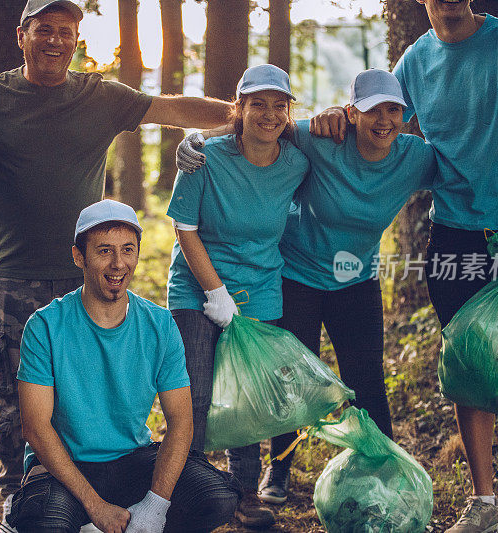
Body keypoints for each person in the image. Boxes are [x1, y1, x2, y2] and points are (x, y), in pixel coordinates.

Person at [0, 0, 235, 510]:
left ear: (77, 40)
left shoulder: (98, 96)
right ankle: (22, 494)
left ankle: (85, 489)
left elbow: (169, 109)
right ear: (22, 35)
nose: (56, 40)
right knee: (15, 390)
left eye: (67, 31)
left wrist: (244, 117)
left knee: (85, 387)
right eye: (44, 29)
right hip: (16, 276)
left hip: (86, 269)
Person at [308, 2, 498, 531]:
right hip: (453, 237)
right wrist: (331, 116)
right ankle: (485, 504)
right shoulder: (416, 59)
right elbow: (377, 117)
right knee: (469, 368)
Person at [176, 68, 438, 506]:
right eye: (373, 109)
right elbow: (256, 124)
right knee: (287, 380)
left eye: (394, 110)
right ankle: (277, 473)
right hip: (295, 274)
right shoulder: (321, 138)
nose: (384, 120)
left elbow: (466, 173)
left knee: (368, 379)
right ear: (352, 113)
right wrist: (198, 137)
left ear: (406, 115)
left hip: (356, 280)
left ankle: (384, 471)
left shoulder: (415, 157)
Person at [9, 199, 241, 533]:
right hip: (64, 465)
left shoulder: (159, 324)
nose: (119, 263)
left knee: (217, 497)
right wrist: (96, 507)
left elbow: (181, 422)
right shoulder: (45, 325)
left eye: (128, 250)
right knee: (45, 522)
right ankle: (91, 523)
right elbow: (36, 429)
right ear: (79, 256)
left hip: (132, 460)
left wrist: (155, 506)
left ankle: (135, 524)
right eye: (104, 251)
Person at [167, 64, 309, 529]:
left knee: (246, 397)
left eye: (278, 105)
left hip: (262, 288)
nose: (268, 114)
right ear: (239, 107)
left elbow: (338, 134)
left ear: (289, 112)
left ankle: (245, 492)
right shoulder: (205, 156)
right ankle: (187, 489)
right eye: (257, 103)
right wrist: (215, 293)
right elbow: (184, 228)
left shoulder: (296, 161)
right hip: (196, 283)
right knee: (199, 394)